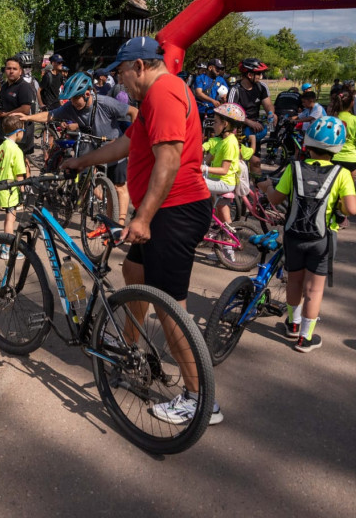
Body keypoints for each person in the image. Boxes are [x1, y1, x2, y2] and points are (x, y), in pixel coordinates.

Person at [60, 36, 221, 426]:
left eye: (121, 72)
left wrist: (143, 217)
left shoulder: (164, 92)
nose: (120, 81)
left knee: (170, 307)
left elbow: (168, 161)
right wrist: (80, 163)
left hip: (175, 210)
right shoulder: (154, 98)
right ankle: (129, 341)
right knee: (133, 272)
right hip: (170, 209)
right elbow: (124, 145)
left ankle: (200, 400)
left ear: (140, 66)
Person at [257, 117, 356, 352]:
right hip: (322, 240)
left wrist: (267, 187)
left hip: (294, 236)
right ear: (338, 148)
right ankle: (305, 338)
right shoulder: (341, 174)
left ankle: (292, 324)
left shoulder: (294, 168)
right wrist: (340, 208)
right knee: (314, 289)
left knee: (294, 281)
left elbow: (275, 199)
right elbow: (352, 209)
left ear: (307, 143)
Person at [24, 71, 137, 224]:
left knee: (119, 187)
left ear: (87, 93)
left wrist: (134, 136)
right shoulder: (71, 107)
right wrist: (28, 117)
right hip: (91, 145)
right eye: (71, 98)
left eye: (76, 97)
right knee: (88, 180)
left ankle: (119, 224)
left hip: (114, 146)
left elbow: (133, 111)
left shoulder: (105, 102)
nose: (73, 102)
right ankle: (106, 220)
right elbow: (50, 115)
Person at [201, 103, 246, 259]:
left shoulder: (230, 143)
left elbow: (224, 170)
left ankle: (228, 251)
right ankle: (222, 248)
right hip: (218, 180)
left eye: (216, 122)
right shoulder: (221, 140)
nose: (213, 125)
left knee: (196, 184)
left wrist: (203, 169)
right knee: (221, 217)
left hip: (225, 181)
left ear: (225, 124)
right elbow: (209, 156)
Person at [0, 116, 27, 258]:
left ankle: (5, 244)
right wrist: (23, 191)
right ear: (18, 132)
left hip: (1, 187)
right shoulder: (16, 150)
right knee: (11, 219)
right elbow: (19, 173)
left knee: (8, 217)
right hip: (10, 188)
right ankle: (7, 248)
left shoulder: (1, 147)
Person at [226, 57, 274, 154]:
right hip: (238, 130)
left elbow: (268, 104)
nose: (261, 76)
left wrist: (271, 113)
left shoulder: (262, 87)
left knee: (256, 162)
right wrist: (249, 122)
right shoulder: (235, 90)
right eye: (259, 74)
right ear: (250, 75)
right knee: (238, 161)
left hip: (255, 129)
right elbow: (229, 112)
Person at [0, 55, 38, 155]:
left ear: (20, 71)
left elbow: (25, 109)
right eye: (8, 68)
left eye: (15, 69)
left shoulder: (24, 87)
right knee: (5, 161)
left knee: (20, 163)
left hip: (19, 133)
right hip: (4, 130)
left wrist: (6, 115)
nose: (11, 71)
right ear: (5, 70)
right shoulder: (5, 86)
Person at [331, 88, 356, 176]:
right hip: (350, 158)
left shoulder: (331, 119)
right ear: (352, 103)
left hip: (333, 156)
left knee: (333, 186)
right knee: (349, 187)